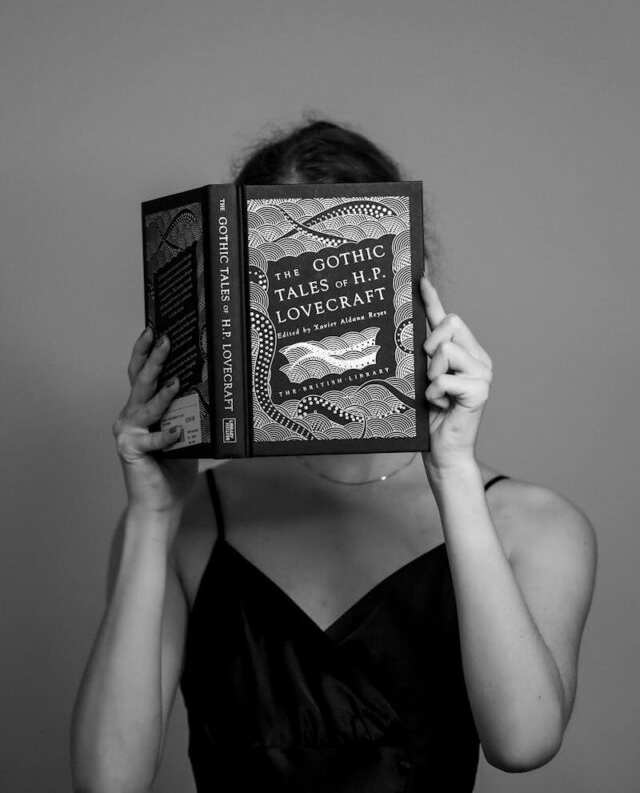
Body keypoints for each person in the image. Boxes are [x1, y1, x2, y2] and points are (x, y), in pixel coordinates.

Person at [70, 119, 597, 793]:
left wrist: (454, 472)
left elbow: (523, 744)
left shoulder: (535, 526)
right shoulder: (189, 520)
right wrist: (150, 516)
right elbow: (106, 784)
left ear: (411, 284)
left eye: (338, 274)